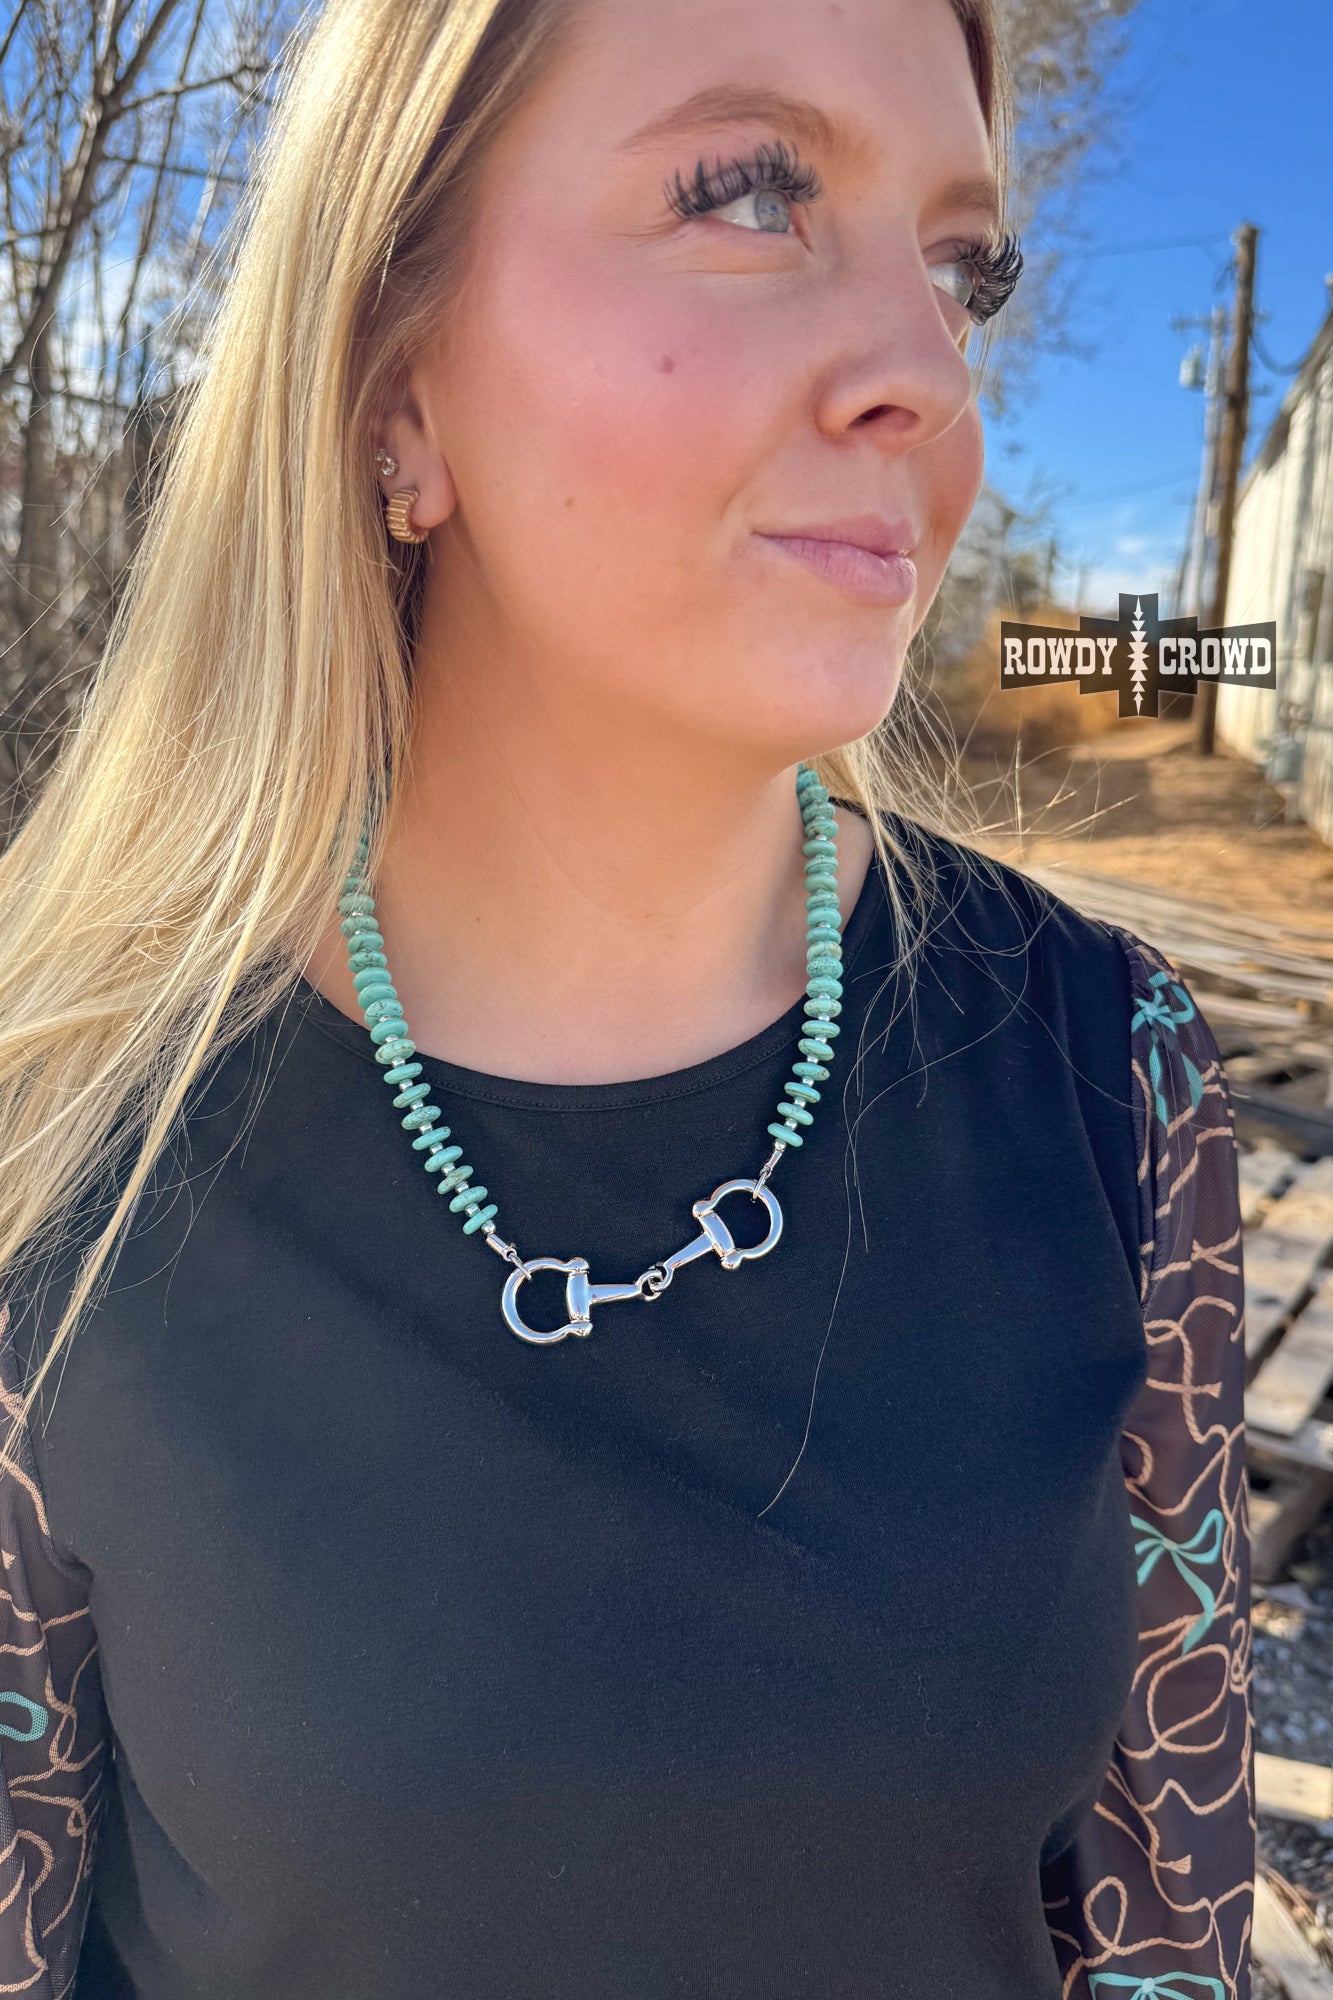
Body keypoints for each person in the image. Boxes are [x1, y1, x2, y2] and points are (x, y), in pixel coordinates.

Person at [0, 0, 1253, 1992]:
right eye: (748, 194)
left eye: (963, 270)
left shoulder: (1109, 1066)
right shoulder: (61, 1136)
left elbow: (1166, 1929)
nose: (928, 369)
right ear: (392, 382)